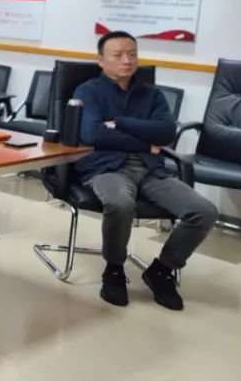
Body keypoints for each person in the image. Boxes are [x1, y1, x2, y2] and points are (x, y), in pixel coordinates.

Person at [75, 31, 217, 310]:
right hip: (106, 167)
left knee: (204, 211)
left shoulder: (152, 95)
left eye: (132, 54)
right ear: (100, 60)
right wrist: (144, 142)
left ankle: (162, 270)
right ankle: (114, 269)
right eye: (117, 55)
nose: (126, 61)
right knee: (119, 203)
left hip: (151, 169)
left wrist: (119, 123)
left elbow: (166, 132)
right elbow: (92, 133)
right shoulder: (88, 91)